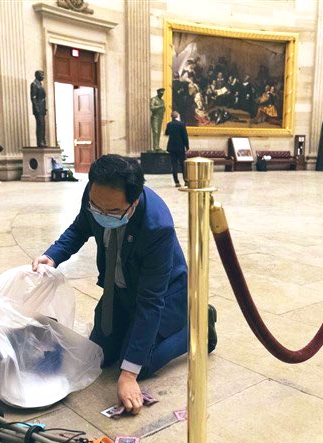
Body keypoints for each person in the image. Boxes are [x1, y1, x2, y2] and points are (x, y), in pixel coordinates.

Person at [31, 155, 217, 415]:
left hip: (165, 295)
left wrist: (129, 375)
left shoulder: (157, 227)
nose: (103, 214)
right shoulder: (98, 192)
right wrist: (52, 256)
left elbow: (151, 302)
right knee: (99, 354)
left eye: (114, 211)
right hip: (119, 288)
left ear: (135, 200)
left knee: (142, 364)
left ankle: (199, 327)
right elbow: (80, 227)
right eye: (97, 207)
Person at [164, 111, 189, 188]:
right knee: (183, 165)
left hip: (171, 147)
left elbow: (166, 133)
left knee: (174, 165)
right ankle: (186, 181)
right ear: (178, 116)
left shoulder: (169, 124)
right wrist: (187, 146)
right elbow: (185, 136)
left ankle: (177, 182)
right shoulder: (181, 124)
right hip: (180, 147)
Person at [31, 70, 47, 147]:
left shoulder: (40, 84)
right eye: (42, 75)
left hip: (42, 109)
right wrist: (36, 108)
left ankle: (43, 140)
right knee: (40, 125)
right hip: (38, 109)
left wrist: (44, 108)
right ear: (37, 75)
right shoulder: (34, 84)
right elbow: (33, 98)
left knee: (43, 125)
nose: (43, 76)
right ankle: (40, 142)